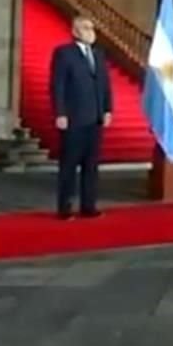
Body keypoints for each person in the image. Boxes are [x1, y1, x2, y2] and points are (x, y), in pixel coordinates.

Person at [49, 15, 113, 220]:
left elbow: (105, 85)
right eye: (86, 28)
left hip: (95, 118)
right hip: (74, 117)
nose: (90, 31)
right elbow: (57, 85)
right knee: (69, 164)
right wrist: (60, 112)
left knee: (91, 165)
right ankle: (65, 207)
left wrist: (107, 109)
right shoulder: (64, 53)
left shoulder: (99, 54)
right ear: (75, 31)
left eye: (92, 28)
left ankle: (89, 206)